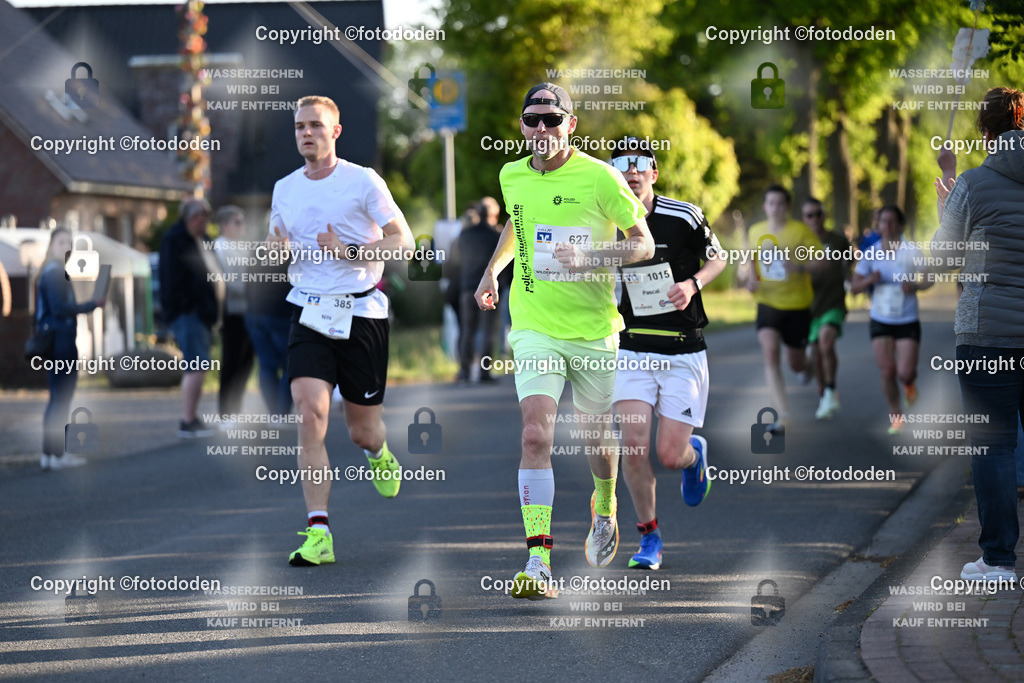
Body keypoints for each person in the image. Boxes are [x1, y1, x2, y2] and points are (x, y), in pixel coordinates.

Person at [474, 83, 654, 598]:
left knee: (596, 438)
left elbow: (643, 244)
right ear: (522, 125)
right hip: (534, 326)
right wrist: (492, 271)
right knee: (535, 435)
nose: (542, 128)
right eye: (533, 119)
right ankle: (538, 561)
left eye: (552, 119)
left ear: (570, 125)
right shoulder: (511, 174)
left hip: (594, 331)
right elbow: (517, 224)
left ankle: (605, 501)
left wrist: (592, 257)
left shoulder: (601, 177)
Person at [267, 95, 414, 567]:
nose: (306, 133)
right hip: (308, 310)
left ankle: (379, 451)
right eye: (299, 126)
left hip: (361, 312)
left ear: (335, 131)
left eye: (315, 125)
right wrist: (274, 252)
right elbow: (276, 243)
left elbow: (404, 242)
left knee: (361, 432)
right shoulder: (284, 188)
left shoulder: (363, 180)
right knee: (309, 413)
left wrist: (349, 251)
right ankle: (319, 532)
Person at [610, 138, 724, 570]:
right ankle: (649, 537)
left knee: (670, 455)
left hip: (682, 348)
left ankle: (693, 456)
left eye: (640, 166)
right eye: (623, 166)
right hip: (631, 346)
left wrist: (693, 284)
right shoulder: (604, 220)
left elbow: (718, 258)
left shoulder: (683, 216)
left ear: (653, 174)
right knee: (633, 447)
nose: (632, 173)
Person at [932, 86, 1024, 582]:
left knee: (994, 446)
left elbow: (942, 260)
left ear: (986, 133)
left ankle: (998, 560)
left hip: (987, 335)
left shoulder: (973, 183)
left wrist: (947, 207)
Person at [741, 186, 824, 430]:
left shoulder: (800, 231)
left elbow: (822, 261)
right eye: (770, 203)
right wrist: (750, 282)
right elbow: (751, 262)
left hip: (797, 304)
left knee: (795, 362)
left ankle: (807, 366)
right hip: (767, 302)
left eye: (779, 203)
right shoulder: (756, 231)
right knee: (770, 354)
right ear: (765, 206)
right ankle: (783, 414)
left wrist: (800, 267)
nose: (775, 208)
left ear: (787, 206)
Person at [850, 205, 931, 434]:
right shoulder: (870, 253)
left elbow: (929, 278)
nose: (887, 225)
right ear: (878, 225)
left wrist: (915, 285)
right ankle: (896, 417)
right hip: (880, 318)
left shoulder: (911, 250)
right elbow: (854, 287)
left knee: (905, 372)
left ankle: (909, 383)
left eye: (892, 221)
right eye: (883, 221)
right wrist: (869, 280)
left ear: (900, 225)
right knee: (887, 371)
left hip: (906, 318)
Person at [35, 227, 103, 469]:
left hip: (54, 341)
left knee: (56, 398)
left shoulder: (48, 270)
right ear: (51, 245)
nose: (66, 246)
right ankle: (58, 455)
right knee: (62, 398)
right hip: (61, 342)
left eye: (69, 242)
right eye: (61, 241)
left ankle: (49, 455)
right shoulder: (55, 272)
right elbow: (60, 308)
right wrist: (90, 305)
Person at [159, 198, 220, 438]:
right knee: (196, 365)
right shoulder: (174, 241)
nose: (204, 222)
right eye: (201, 218)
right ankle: (188, 420)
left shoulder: (204, 240)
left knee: (200, 365)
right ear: (191, 218)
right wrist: (188, 307)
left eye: (205, 218)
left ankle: (192, 417)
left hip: (203, 314)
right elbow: (170, 279)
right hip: (188, 314)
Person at [803, 198, 850, 420]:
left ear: (824, 215)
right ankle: (823, 393)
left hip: (833, 302)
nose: (814, 219)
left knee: (826, 343)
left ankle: (831, 389)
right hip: (808, 306)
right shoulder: (799, 243)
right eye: (809, 215)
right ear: (804, 218)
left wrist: (852, 280)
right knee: (814, 354)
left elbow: (850, 266)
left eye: (818, 214)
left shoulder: (838, 241)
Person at [246, 211, 293, 417]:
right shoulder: (290, 251)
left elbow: (248, 283)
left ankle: (274, 412)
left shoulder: (257, 249)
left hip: (255, 314)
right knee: (290, 365)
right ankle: (282, 412)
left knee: (266, 366)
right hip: (282, 315)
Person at [213, 206, 255, 419]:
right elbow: (229, 282)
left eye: (242, 221)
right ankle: (226, 412)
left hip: (247, 311)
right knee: (232, 362)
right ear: (224, 225)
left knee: (246, 362)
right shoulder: (221, 248)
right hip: (231, 312)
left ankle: (236, 408)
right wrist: (254, 289)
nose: (242, 226)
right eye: (237, 222)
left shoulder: (241, 247)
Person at [454, 197, 502, 383]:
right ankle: (484, 372)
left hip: (467, 287)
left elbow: (456, 260)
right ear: (494, 215)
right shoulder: (496, 236)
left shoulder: (465, 235)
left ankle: (465, 371)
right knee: (488, 331)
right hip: (487, 289)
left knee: (467, 330)